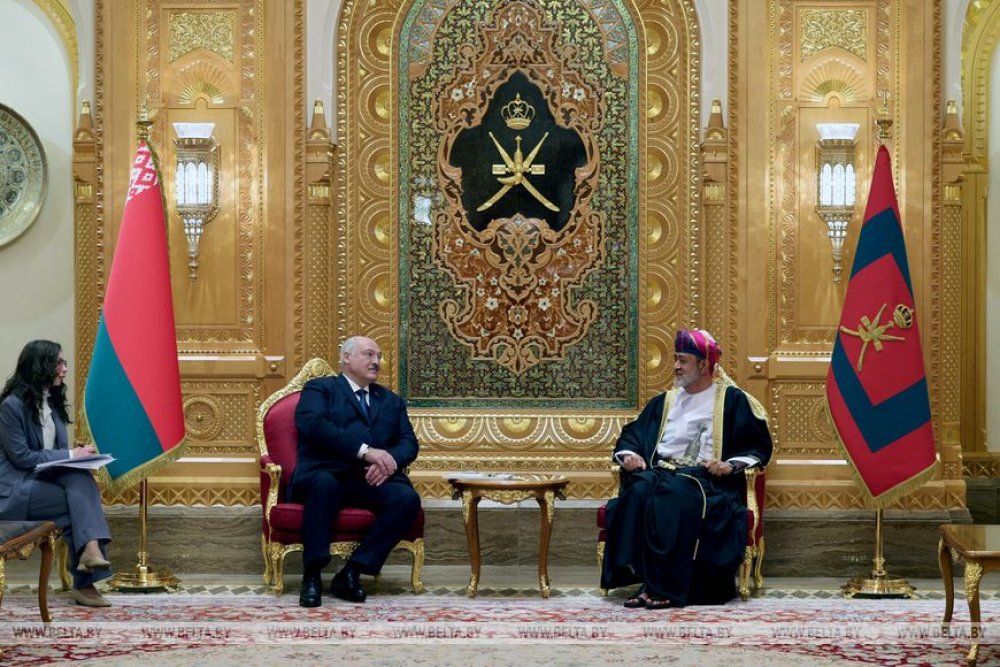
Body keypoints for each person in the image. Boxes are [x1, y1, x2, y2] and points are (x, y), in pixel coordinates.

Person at [600, 329, 772, 608]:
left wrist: (729, 465)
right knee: (640, 490)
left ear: (704, 365)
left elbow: (757, 445)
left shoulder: (731, 400)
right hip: (660, 472)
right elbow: (632, 435)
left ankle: (663, 587)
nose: (676, 366)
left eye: (683, 360)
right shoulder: (665, 401)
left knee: (672, 494)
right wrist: (629, 455)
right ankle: (647, 581)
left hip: (703, 479)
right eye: (676, 359)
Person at [291, 335, 422, 607]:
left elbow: (409, 443)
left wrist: (389, 462)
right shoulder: (320, 389)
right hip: (325, 472)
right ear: (346, 358)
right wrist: (366, 451)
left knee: (406, 499)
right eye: (368, 354)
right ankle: (312, 575)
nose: (376, 361)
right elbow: (313, 425)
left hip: (369, 479)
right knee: (323, 485)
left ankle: (352, 572)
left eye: (379, 356)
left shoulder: (391, 401)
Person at [0, 340, 113, 607]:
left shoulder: (52, 403)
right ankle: (85, 577)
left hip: (42, 481)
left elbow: (53, 454)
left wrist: (80, 457)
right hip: (15, 489)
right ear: (40, 367)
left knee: (80, 479)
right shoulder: (10, 406)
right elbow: (23, 457)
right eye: (59, 363)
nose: (64, 369)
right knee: (76, 503)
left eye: (64, 363)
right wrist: (72, 455)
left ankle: (88, 558)